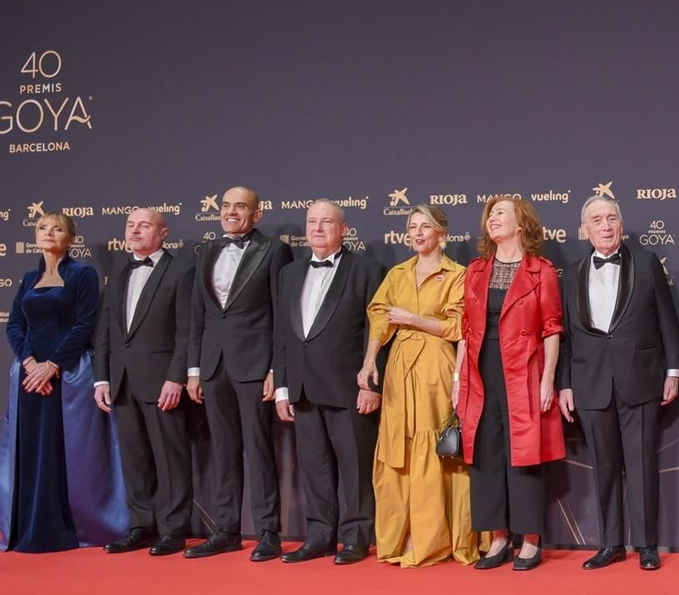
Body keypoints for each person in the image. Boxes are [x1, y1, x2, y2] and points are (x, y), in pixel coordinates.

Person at [557, 194, 679, 571]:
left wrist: (673, 369)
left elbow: (667, 318)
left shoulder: (645, 262)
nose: (606, 226)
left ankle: (646, 544)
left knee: (642, 464)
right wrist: (565, 383)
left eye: (611, 218)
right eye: (597, 220)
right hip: (590, 383)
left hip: (641, 378)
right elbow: (565, 336)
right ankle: (611, 543)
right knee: (604, 466)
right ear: (585, 230)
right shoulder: (574, 272)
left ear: (622, 225)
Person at [1, 212, 129, 551]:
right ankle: (31, 524)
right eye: (42, 228)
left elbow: (85, 325)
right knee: (32, 448)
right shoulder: (29, 278)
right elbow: (14, 326)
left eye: (57, 228)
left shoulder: (82, 274)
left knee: (67, 450)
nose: (48, 233)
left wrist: (53, 366)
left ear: (71, 239)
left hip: (69, 375)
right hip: (29, 379)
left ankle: (71, 526)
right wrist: (30, 364)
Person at [359, 204, 478, 567]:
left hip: (436, 367)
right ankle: (402, 534)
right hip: (398, 368)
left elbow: (459, 328)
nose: (418, 233)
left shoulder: (457, 274)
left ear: (442, 233)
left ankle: (435, 538)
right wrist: (368, 363)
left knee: (434, 449)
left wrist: (414, 319)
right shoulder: (397, 273)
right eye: (412, 227)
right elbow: (380, 319)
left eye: (426, 227)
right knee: (399, 448)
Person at [273, 200, 385, 564]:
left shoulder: (368, 270)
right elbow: (282, 335)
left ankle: (355, 537)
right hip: (302, 388)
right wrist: (283, 387)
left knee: (354, 469)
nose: (317, 228)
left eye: (326, 222)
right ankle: (320, 535)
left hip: (348, 389)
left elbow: (377, 332)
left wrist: (371, 385)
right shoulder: (289, 274)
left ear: (344, 229)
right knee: (314, 468)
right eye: (312, 222)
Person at [456, 196, 565, 572]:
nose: (493, 219)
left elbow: (552, 328)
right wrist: (459, 378)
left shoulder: (541, 271)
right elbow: (465, 331)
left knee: (524, 450)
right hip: (480, 368)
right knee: (486, 451)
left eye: (501, 213)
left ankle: (530, 539)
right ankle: (498, 537)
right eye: (490, 215)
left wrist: (548, 378)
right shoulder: (475, 270)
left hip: (523, 369)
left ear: (521, 223)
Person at [184, 186, 293, 560]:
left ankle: (268, 532)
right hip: (214, 365)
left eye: (240, 207)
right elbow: (198, 314)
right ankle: (226, 529)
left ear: (257, 214)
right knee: (224, 450)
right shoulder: (208, 250)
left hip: (254, 363)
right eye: (226, 206)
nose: (231, 212)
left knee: (258, 448)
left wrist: (277, 368)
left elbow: (282, 315)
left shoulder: (274, 250)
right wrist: (195, 369)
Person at [94, 209, 196, 557]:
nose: (135, 231)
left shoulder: (181, 271)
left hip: (162, 381)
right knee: (135, 459)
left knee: (170, 459)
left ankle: (172, 529)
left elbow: (187, 331)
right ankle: (141, 525)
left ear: (163, 232)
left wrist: (176, 377)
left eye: (144, 225)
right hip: (122, 382)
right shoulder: (118, 274)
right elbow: (105, 331)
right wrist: (102, 378)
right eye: (130, 225)